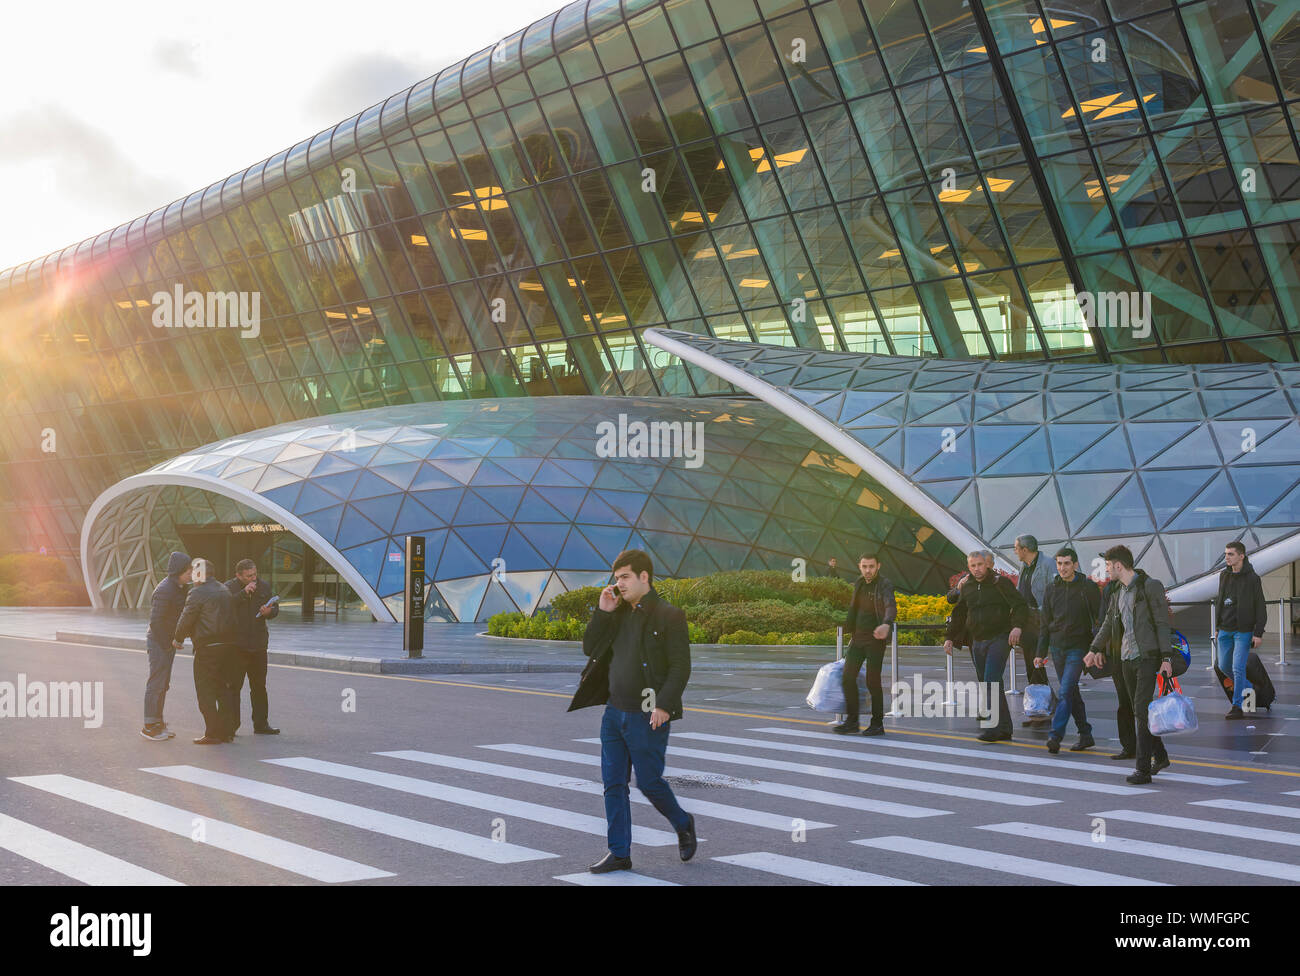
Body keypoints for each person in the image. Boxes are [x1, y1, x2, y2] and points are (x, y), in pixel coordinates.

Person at [568, 549, 696, 874]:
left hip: (647, 712)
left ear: (644, 577)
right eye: (616, 578)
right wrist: (603, 612)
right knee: (613, 783)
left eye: (624, 577)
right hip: (614, 711)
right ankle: (619, 852)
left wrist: (665, 705)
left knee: (649, 782)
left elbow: (681, 666)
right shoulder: (618, 612)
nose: (619, 584)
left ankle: (683, 823)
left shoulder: (669, 615)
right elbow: (590, 648)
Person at [1086, 545, 1173, 785]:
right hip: (1125, 658)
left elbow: (1162, 623)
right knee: (1139, 711)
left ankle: (1143, 770)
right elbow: (1107, 623)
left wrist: (1166, 658)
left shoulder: (1149, 587)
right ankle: (1162, 755)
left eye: (1107, 566)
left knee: (1141, 711)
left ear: (1118, 565)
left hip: (1147, 656)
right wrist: (1094, 649)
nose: (1106, 571)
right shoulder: (1116, 590)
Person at [943, 550, 1028, 742]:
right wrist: (949, 637)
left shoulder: (1000, 583)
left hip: (999, 638)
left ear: (987, 564)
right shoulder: (968, 586)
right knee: (988, 683)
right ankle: (1005, 728)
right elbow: (959, 613)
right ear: (969, 567)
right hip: (977, 640)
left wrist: (1017, 627)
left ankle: (992, 727)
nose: (977, 569)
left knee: (990, 681)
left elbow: (1020, 605)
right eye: (973, 566)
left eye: (980, 565)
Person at [1033, 548, 1098, 754]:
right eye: (1059, 563)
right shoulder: (1052, 589)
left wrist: (1097, 648)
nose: (1062, 568)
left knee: (1065, 691)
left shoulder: (1088, 587)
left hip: (1078, 648)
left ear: (1076, 565)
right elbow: (1045, 624)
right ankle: (1085, 734)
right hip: (1057, 647)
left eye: (1067, 563)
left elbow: (1101, 618)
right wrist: (1040, 652)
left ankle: (1055, 736)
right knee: (1071, 692)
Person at [174, 558, 238, 745]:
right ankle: (227, 732)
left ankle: (212, 733)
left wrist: (178, 638)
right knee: (224, 690)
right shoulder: (224, 589)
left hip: (208, 647)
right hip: (228, 647)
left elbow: (187, 617)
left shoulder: (197, 593)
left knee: (205, 692)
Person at [832, 554, 896, 737]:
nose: (868, 570)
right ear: (859, 566)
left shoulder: (884, 584)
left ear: (878, 566)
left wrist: (886, 624)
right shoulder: (859, 583)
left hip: (875, 639)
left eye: (871, 566)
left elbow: (890, 605)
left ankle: (877, 724)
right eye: (865, 566)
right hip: (858, 638)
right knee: (847, 678)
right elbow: (854, 608)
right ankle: (852, 721)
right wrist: (848, 628)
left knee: (872, 681)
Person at [224, 559, 281, 735]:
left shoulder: (263, 586)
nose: (253, 578)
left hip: (258, 645)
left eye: (255, 574)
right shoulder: (228, 588)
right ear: (238, 575)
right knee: (233, 687)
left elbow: (275, 608)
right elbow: (223, 608)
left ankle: (261, 724)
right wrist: (242, 593)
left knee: (259, 686)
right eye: (249, 576)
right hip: (237, 646)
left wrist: (269, 612)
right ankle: (231, 725)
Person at [1214, 540, 1267, 719]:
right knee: (1223, 666)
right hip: (1224, 630)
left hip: (1243, 631)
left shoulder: (1253, 578)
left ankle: (1237, 706)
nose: (1227, 557)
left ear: (1241, 556)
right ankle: (1249, 687)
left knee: (1237, 668)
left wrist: (1258, 633)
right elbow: (1220, 601)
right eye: (1226, 554)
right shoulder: (1224, 576)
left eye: (1231, 554)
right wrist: (1217, 627)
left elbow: (1260, 607)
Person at [142, 551, 191, 741]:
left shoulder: (179, 588)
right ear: (179, 571)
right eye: (188, 571)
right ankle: (149, 726)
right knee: (156, 684)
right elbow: (156, 622)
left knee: (163, 684)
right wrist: (168, 644)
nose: (190, 574)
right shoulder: (164, 590)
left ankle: (158, 723)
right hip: (158, 642)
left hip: (167, 642)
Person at [1013, 534, 1053, 728]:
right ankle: (1038, 708)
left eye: (1016, 548)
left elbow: (1053, 592)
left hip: (1041, 619)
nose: (1015, 551)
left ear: (1025, 550)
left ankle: (1044, 709)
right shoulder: (1025, 566)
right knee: (1031, 665)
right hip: (1027, 620)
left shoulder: (1047, 564)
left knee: (1038, 662)